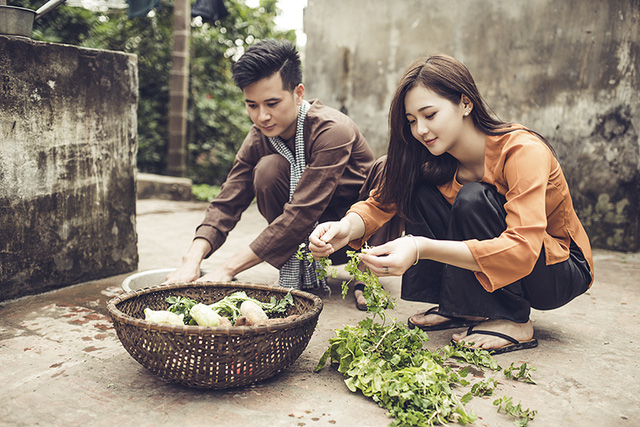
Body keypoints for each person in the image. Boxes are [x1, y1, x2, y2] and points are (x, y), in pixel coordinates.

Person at [309, 54, 594, 354]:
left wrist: (420, 248)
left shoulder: (522, 151)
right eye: (412, 121)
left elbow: (524, 248)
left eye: (430, 115)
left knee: (473, 197)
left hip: (557, 269)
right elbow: (381, 203)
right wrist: (345, 227)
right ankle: (461, 307)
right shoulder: (433, 158)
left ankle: (512, 319)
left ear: (465, 104)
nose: (420, 130)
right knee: (418, 192)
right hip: (528, 260)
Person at [164, 39, 379, 291]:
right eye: (251, 105)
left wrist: (227, 270)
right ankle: (294, 262)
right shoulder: (259, 136)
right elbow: (228, 200)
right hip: (308, 245)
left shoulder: (332, 130)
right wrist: (192, 260)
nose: (262, 116)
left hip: (353, 237)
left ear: (298, 94)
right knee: (268, 169)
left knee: (387, 172)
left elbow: (302, 213)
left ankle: (367, 275)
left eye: (272, 103)